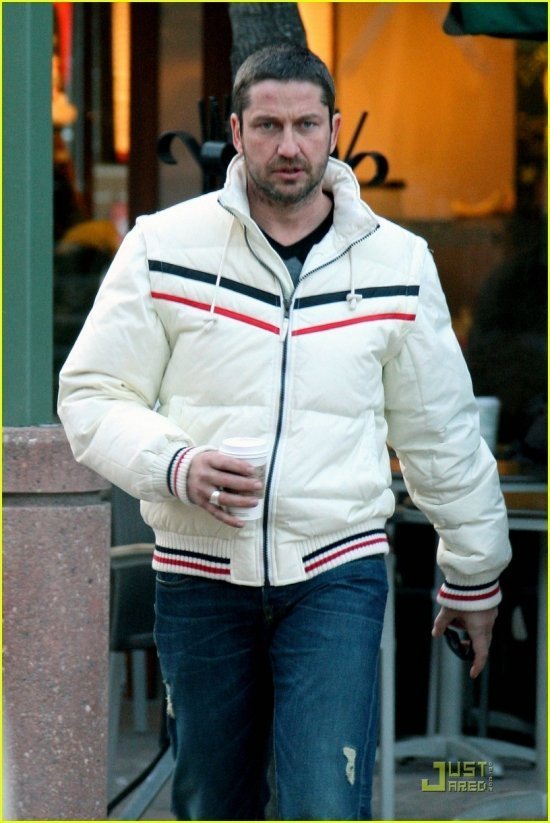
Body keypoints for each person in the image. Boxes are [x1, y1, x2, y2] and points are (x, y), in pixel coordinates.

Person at [58, 44, 511, 821]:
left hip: (336, 573)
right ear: (236, 132)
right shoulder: (163, 247)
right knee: (213, 805)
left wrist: (474, 571)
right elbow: (91, 393)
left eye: (306, 124)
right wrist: (176, 463)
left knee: (324, 803)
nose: (289, 145)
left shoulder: (397, 261)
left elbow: (441, 431)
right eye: (268, 125)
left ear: (335, 128)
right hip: (199, 572)